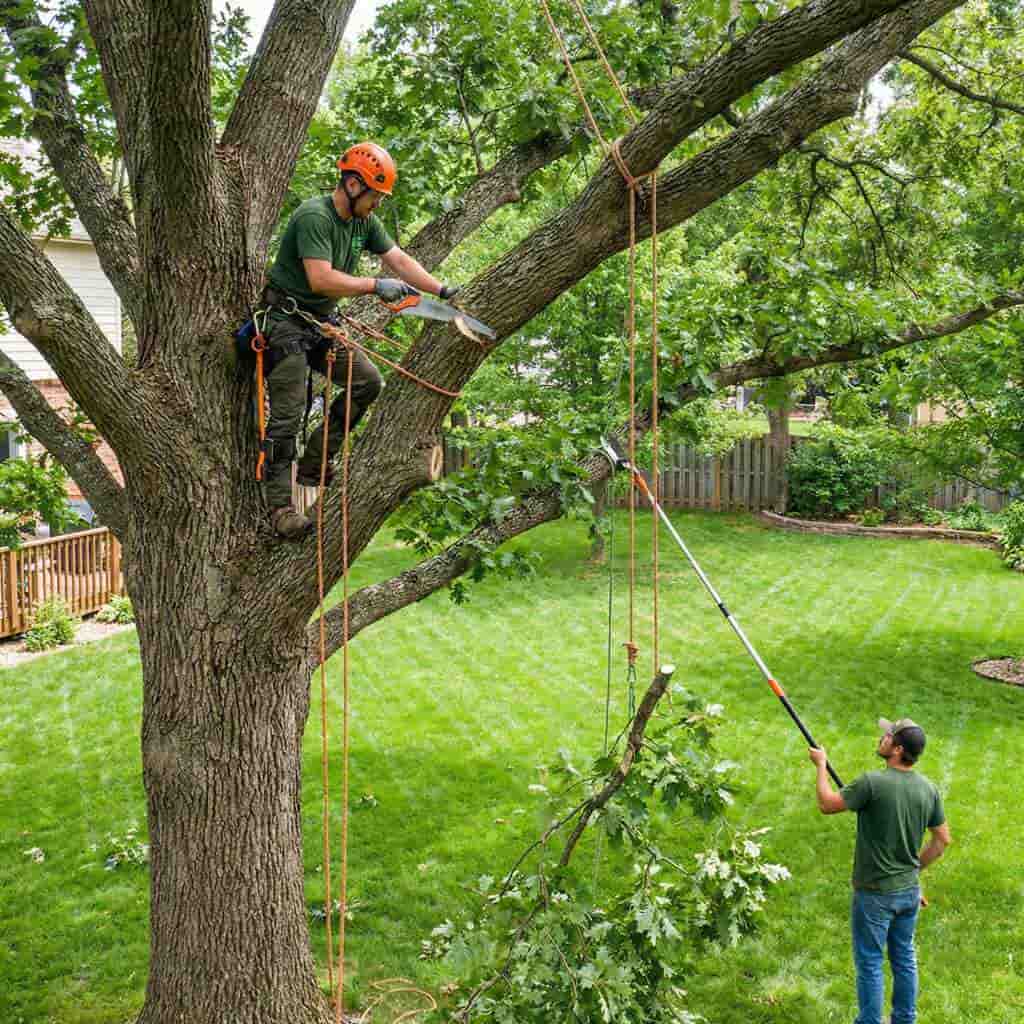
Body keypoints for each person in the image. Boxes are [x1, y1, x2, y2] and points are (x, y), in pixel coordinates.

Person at [258, 141, 460, 538]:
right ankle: (280, 509)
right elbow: (320, 278)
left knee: (367, 381)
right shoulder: (314, 217)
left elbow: (399, 260)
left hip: (319, 323)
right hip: (284, 323)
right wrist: (373, 285)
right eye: (375, 196)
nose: (377, 206)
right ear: (353, 185)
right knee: (287, 414)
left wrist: (442, 290)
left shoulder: (363, 222)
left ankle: (316, 462)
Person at [809, 718, 951, 1024]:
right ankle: (904, 1020)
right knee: (904, 959)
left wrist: (821, 764)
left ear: (898, 749)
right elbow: (942, 841)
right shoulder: (928, 789)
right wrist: (914, 873)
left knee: (871, 961)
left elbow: (826, 804)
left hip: (874, 893)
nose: (882, 737)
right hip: (908, 893)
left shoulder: (872, 783)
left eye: (888, 735)